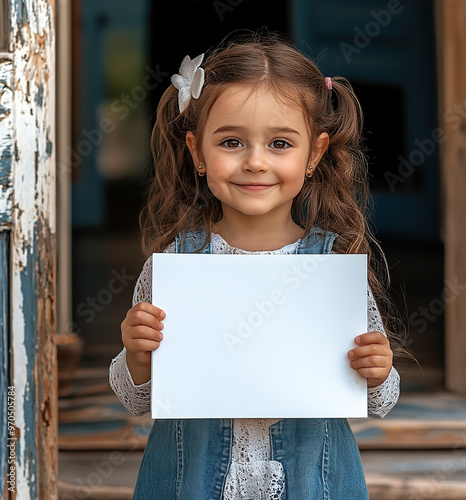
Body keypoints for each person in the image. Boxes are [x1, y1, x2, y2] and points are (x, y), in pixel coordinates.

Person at [109, 32, 402, 500]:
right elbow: (137, 398)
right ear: (197, 152)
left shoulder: (332, 269)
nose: (255, 162)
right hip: (193, 485)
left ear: (316, 154)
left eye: (281, 143)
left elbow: (379, 401)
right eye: (231, 142)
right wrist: (138, 356)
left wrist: (379, 370)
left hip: (312, 487)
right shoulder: (176, 268)